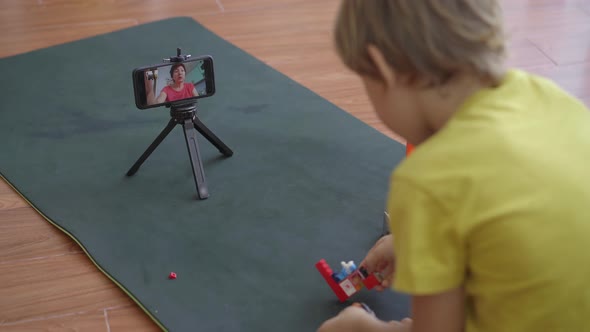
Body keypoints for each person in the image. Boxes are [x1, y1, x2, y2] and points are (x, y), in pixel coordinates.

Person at [318, 1, 590, 332]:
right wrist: (412, 239)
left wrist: (368, 329)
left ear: (383, 70)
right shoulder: (550, 98)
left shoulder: (428, 179)